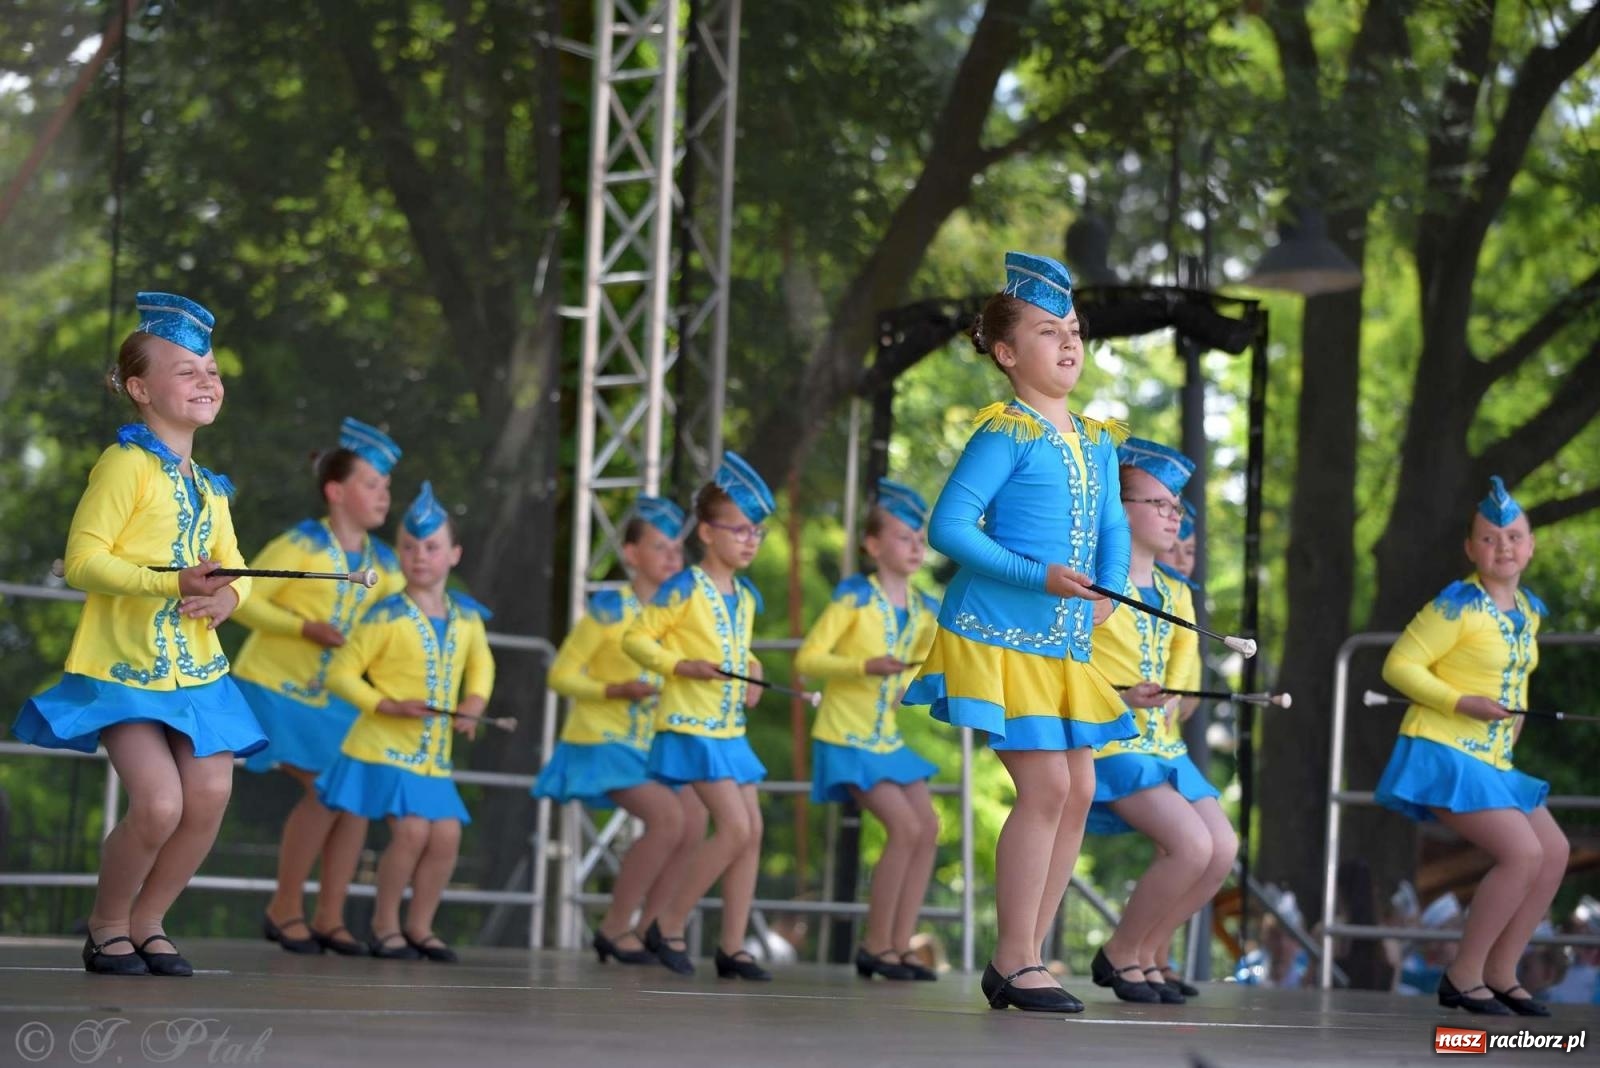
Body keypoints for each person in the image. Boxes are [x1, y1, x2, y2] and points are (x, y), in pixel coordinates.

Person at [902, 252, 1136, 1013]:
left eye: (1074, 329)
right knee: (1047, 786)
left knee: (1081, 786)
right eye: (1047, 331)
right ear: (1007, 353)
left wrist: (1111, 591)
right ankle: (1013, 958)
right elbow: (948, 528)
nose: (1069, 343)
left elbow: (1112, 526)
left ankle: (1028, 955)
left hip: (1063, 638)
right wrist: (1038, 577)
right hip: (997, 630)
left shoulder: (1098, 437)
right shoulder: (1006, 432)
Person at [13, 292, 264, 976]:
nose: (206, 379)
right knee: (158, 804)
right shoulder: (122, 466)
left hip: (201, 672)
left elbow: (242, 571)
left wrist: (229, 597)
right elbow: (85, 562)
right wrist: (172, 582)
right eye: (186, 369)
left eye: (210, 368)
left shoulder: (209, 486)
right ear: (140, 388)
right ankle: (106, 924)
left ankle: (150, 922)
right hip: (123, 667)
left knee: (209, 797)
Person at [1375, 476, 1569, 1017]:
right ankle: (1463, 974)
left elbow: (1518, 677)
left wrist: (1515, 725)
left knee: (1551, 853)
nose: (1503, 546)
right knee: (1522, 853)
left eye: (1513, 536)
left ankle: (1501, 971)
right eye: (1489, 538)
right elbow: (1398, 666)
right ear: (1470, 549)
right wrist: (1461, 702)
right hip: (1441, 748)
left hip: (1492, 759)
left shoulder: (1527, 612)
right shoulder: (1457, 606)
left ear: (1529, 545)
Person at [234, 418, 405, 957]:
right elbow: (242, 593)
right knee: (330, 788)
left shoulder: (387, 565)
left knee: (353, 799)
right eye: (372, 484)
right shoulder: (301, 544)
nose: (384, 496)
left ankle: (330, 916)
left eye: (386, 487)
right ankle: (284, 908)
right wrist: (302, 627)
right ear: (336, 491)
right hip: (275, 687)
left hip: (334, 698)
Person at [316, 482, 495, 962]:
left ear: (454, 554)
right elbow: (340, 672)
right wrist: (385, 705)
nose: (420, 557)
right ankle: (384, 924)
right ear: (398, 554)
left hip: (433, 755)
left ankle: (420, 926)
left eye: (432, 547)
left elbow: (482, 667)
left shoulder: (466, 618)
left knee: (447, 836)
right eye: (410, 547)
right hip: (380, 747)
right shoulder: (386, 615)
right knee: (413, 833)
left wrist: (474, 705)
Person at [1085, 439, 1236, 1004]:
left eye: (1176, 506)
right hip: (1110, 743)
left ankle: (1147, 953)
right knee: (1192, 846)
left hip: (1163, 748)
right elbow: (1060, 665)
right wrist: (1122, 693)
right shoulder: (1093, 581)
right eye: (1161, 504)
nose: (1175, 515)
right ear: (1120, 508)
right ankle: (1121, 951)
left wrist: (1173, 693)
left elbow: (1182, 675)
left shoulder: (1177, 592)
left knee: (1221, 847)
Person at [532, 497, 709, 970]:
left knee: (694, 819)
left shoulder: (681, 617)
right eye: (659, 547)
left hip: (653, 744)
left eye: (677, 549)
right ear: (631, 554)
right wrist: (614, 689)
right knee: (669, 819)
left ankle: (649, 926)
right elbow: (561, 676)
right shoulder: (609, 612)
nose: (673, 558)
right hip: (602, 741)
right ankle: (613, 926)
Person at [622, 453, 774, 980]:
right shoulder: (683, 588)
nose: (750, 539)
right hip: (691, 726)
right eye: (739, 529)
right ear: (707, 534)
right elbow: (636, 638)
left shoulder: (746, 596)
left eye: (757, 531)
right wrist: (679, 665)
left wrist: (750, 667)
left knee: (752, 830)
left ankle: (733, 946)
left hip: (729, 729)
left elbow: (738, 649)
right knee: (732, 828)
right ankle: (667, 921)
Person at [796, 478, 942, 981]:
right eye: (903, 537)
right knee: (904, 829)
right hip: (845, 735)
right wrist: (864, 666)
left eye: (920, 538)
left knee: (928, 829)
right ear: (873, 545)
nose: (916, 546)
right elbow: (808, 659)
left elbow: (933, 658)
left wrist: (919, 681)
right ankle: (876, 945)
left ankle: (901, 946)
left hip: (886, 738)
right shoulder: (854, 596)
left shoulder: (925, 608)